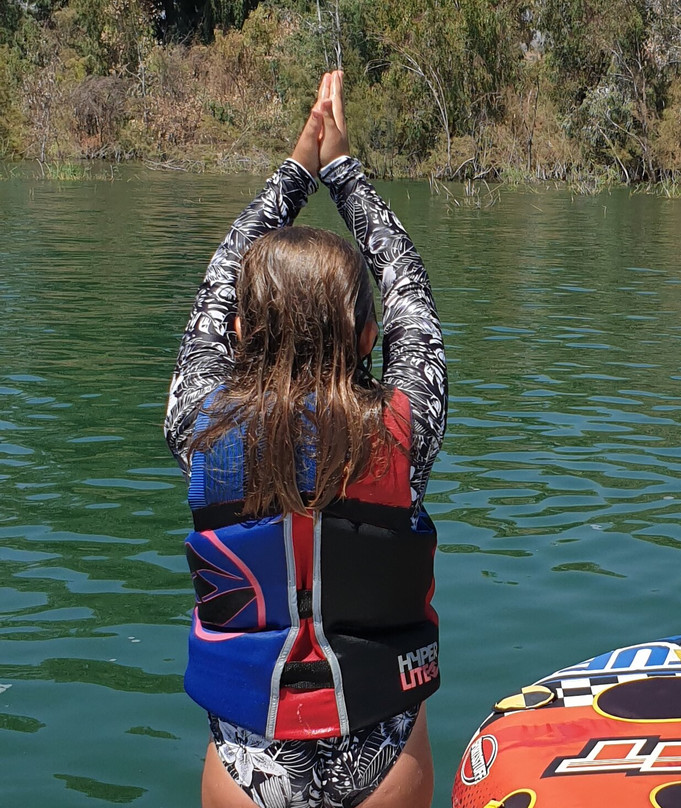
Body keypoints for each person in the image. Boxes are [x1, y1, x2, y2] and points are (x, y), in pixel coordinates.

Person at [164, 71, 446, 808]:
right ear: (369, 338)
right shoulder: (405, 428)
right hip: (381, 757)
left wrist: (295, 172)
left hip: (248, 764)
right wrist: (343, 171)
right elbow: (411, 291)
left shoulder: (199, 425)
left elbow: (216, 287)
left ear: (236, 334)